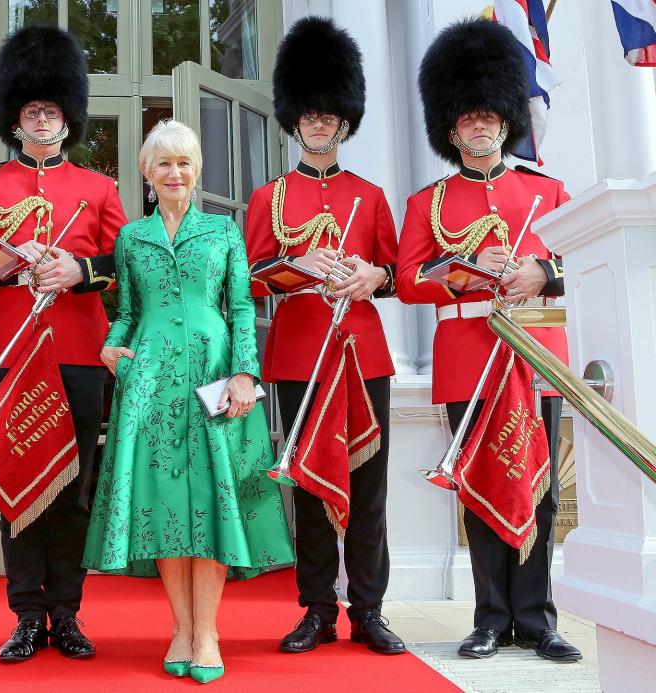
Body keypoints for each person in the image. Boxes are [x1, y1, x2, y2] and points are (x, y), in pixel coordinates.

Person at [82, 120, 294, 684]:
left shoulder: (224, 232)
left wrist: (247, 373)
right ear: (147, 174)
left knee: (212, 497)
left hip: (214, 374)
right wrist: (111, 346)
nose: (175, 173)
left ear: (197, 170)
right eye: (164, 165)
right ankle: (179, 626)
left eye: (185, 163)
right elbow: (126, 311)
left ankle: (208, 632)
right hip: (150, 380)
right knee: (164, 502)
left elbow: (243, 307)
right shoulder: (130, 238)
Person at [397, 18, 578, 663]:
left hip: (532, 358)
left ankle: (538, 616)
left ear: (505, 120)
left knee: (541, 487)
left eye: (488, 118)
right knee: (477, 486)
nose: (478, 129)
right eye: (466, 121)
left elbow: (575, 266)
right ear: (451, 130)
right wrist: (466, 272)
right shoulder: (429, 202)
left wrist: (540, 275)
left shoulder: (546, 192)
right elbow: (408, 280)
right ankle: (490, 617)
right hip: (469, 357)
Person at [0, 26, 127, 663]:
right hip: (6, 350)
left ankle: (68, 611)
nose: (42, 117)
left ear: (68, 116)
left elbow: (122, 263)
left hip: (78, 350)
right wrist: (5, 262)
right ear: (15, 116)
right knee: (15, 480)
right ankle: (27, 613)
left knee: (75, 486)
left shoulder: (99, 188)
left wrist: (77, 271)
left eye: (53, 110)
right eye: (32, 109)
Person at [245, 17, 404, 656]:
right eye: (307, 114)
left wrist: (373, 275)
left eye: (328, 115)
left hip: (362, 352)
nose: (317, 123)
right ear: (295, 120)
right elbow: (254, 279)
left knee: (369, 489)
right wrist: (298, 266)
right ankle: (316, 608)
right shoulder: (269, 196)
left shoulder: (370, 195)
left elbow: (397, 274)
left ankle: (368, 608)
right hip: (299, 354)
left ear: (344, 121)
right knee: (307, 487)